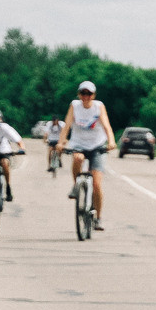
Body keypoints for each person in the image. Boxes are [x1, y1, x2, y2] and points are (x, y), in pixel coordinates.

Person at [59, 80, 115, 228]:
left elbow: (107, 126)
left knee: (96, 184)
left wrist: (111, 141)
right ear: (79, 94)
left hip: (97, 146)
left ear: (93, 95)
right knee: (77, 158)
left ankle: (98, 217)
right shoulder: (75, 106)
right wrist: (61, 142)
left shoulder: (98, 106)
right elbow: (67, 125)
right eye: (83, 93)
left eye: (89, 93)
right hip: (79, 144)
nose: (85, 96)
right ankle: (76, 185)